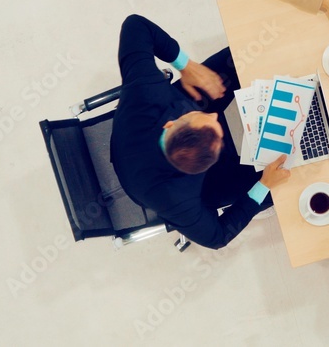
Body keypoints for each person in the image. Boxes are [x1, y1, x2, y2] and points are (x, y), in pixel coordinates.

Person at [110, 15, 290, 250]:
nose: (215, 115)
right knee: (274, 180)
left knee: (236, 61)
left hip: (137, 127)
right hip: (152, 181)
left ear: (170, 124)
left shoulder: (145, 93)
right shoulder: (179, 201)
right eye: (217, 128)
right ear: (204, 168)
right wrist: (263, 185)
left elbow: (135, 25)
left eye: (204, 117)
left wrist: (185, 64)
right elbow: (218, 237)